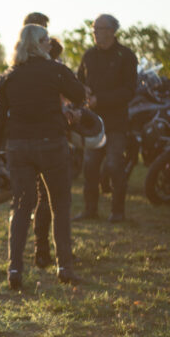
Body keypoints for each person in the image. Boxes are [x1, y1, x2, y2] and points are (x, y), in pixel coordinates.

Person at [0, 24, 85, 290]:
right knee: (60, 204)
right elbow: (79, 94)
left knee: (21, 206)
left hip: (18, 146)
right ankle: (64, 266)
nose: (50, 43)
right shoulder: (56, 70)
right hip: (52, 143)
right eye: (45, 39)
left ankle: (14, 269)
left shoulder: (8, 77)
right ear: (37, 43)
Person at [74, 14, 138, 223]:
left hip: (116, 123)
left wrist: (99, 100)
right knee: (90, 167)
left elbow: (129, 91)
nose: (94, 33)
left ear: (111, 31)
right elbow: (78, 81)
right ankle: (90, 210)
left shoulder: (126, 55)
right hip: (92, 124)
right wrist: (81, 90)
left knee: (114, 165)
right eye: (93, 29)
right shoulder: (89, 55)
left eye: (98, 29)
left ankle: (117, 212)